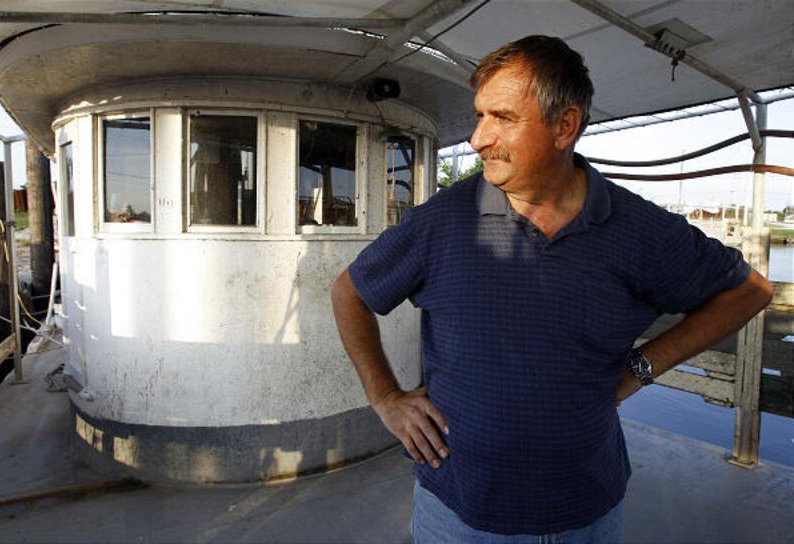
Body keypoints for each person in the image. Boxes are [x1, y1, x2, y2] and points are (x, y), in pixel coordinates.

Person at [331, 35, 772, 543]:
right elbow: (350, 293)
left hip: (587, 512)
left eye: (502, 117)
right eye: (479, 116)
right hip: (460, 513)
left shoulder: (638, 229)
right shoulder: (441, 222)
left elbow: (750, 292)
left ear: (565, 126)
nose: (477, 139)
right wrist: (386, 397)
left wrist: (640, 369)